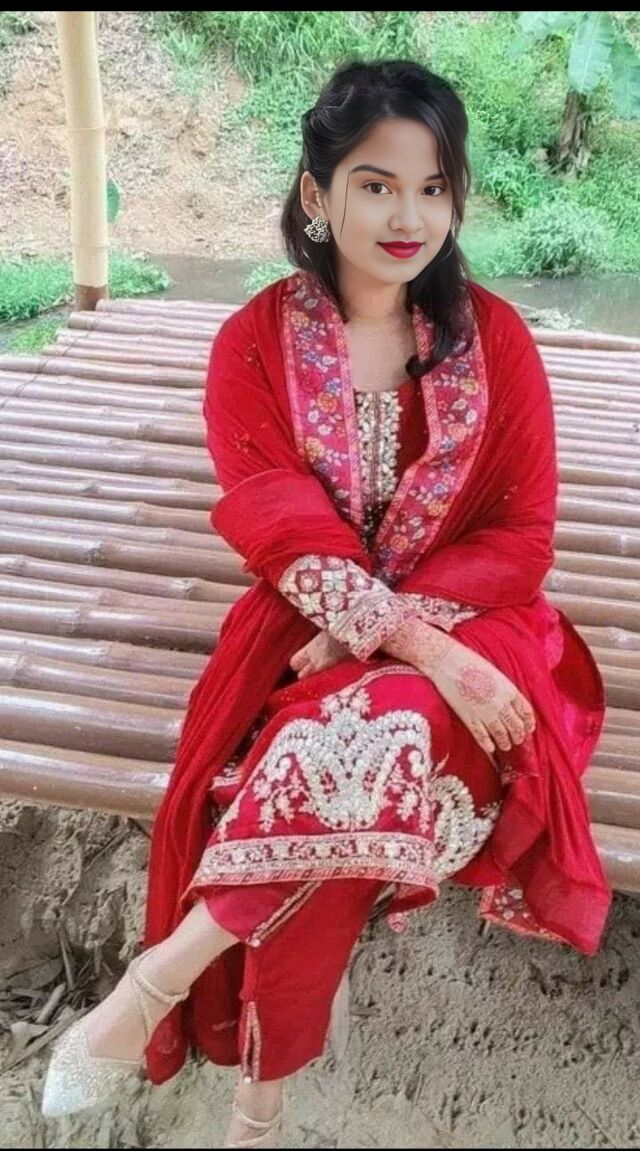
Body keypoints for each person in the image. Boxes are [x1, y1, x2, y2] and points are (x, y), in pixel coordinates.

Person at [41, 57, 612, 1147]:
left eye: (433, 187)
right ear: (317, 193)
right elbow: (276, 521)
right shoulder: (253, 344)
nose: (408, 217)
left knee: (376, 728)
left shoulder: (495, 340)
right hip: (308, 627)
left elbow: (518, 537)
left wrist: (422, 641)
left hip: (483, 629)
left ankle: (157, 991)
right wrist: (392, 637)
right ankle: (257, 1108)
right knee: (333, 750)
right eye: (376, 184)